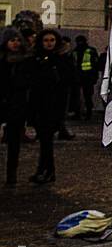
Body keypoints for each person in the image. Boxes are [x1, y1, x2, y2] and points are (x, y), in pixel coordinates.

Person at [20, 29, 69, 184]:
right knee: (44, 141)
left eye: (52, 40)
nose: (49, 43)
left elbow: (65, 85)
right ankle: (45, 170)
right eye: (46, 40)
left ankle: (47, 171)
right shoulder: (35, 59)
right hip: (38, 105)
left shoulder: (61, 60)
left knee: (47, 140)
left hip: (53, 106)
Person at [2, 27, 29, 187]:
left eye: (18, 40)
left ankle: (11, 173)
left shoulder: (25, 60)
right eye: (13, 40)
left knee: (14, 142)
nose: (16, 43)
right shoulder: (2, 60)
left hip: (17, 105)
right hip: (4, 102)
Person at [70, 35, 99, 120]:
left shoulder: (90, 51)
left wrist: (94, 77)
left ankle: (88, 113)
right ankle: (78, 113)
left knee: (87, 96)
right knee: (78, 96)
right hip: (79, 77)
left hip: (87, 77)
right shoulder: (75, 51)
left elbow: (95, 65)